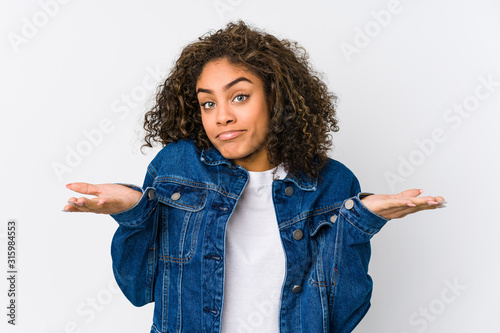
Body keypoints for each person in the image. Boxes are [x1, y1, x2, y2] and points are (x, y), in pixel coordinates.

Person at [63, 21, 445, 333]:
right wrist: (134, 211)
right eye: (208, 102)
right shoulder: (177, 167)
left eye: (239, 97)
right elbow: (138, 288)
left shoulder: (332, 183)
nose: (221, 116)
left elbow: (341, 317)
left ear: (277, 97)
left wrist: (361, 222)